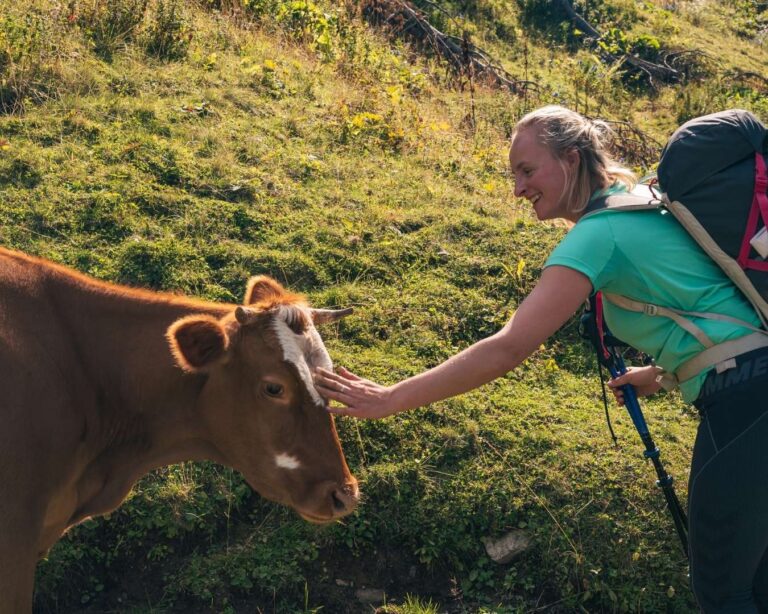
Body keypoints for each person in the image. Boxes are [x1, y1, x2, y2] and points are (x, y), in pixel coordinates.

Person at [314, 104, 768, 612]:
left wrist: (390, 398)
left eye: (527, 171)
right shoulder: (641, 202)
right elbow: (710, 303)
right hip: (751, 388)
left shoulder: (599, 234)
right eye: (514, 175)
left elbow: (510, 345)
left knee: (723, 591)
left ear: (571, 160)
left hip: (745, 404)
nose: (518, 189)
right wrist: (661, 374)